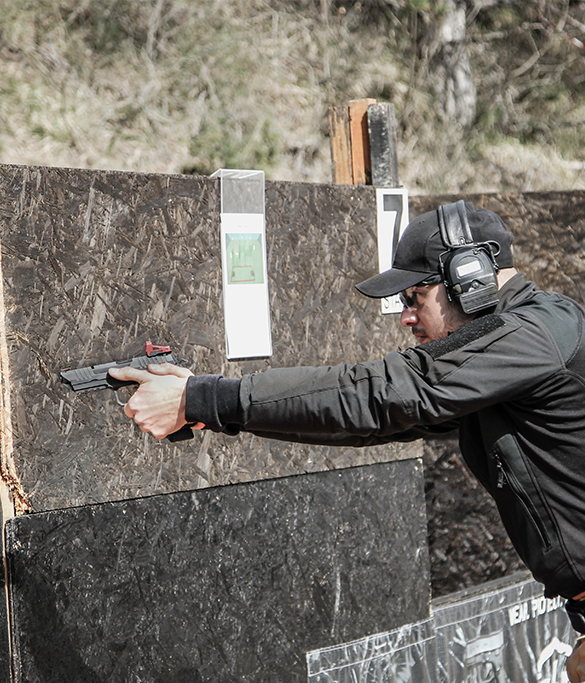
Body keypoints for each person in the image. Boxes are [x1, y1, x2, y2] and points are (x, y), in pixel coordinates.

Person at [109, 200, 585, 681]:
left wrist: (204, 398)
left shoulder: (536, 333)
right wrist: (212, 408)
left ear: (471, 277)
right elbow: (375, 420)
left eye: (414, 297)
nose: (406, 317)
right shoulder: (524, 343)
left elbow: (384, 395)